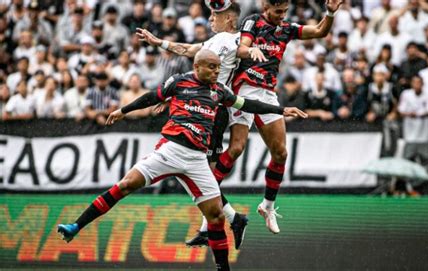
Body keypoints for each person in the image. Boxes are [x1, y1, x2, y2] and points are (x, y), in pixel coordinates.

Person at [57, 49, 307, 271]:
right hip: (170, 150)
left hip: (197, 160)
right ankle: (76, 226)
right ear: (196, 66)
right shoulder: (178, 82)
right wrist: (123, 111)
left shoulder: (220, 91)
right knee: (125, 185)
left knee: (217, 218)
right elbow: (151, 97)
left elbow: (249, 104)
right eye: (212, 67)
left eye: (219, 68)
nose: (216, 72)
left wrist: (280, 110)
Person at [216, 0, 342, 234]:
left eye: (284, 12)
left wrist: (330, 13)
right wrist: (250, 49)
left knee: (281, 153)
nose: (281, 16)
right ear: (266, 7)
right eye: (277, 12)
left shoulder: (287, 29)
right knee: (236, 149)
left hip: (267, 93)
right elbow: (241, 47)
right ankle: (209, 188)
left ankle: (267, 206)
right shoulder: (253, 21)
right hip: (244, 88)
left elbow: (320, 31)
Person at [136, 2, 254, 249]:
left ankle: (228, 220)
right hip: (204, 107)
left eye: (217, 14)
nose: (211, 17)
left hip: (214, 110)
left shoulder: (234, 40)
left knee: (200, 173)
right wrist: (160, 43)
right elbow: (188, 49)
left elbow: (245, 50)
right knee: (201, 173)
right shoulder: (213, 42)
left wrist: (254, 52)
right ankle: (228, 220)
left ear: (231, 21)